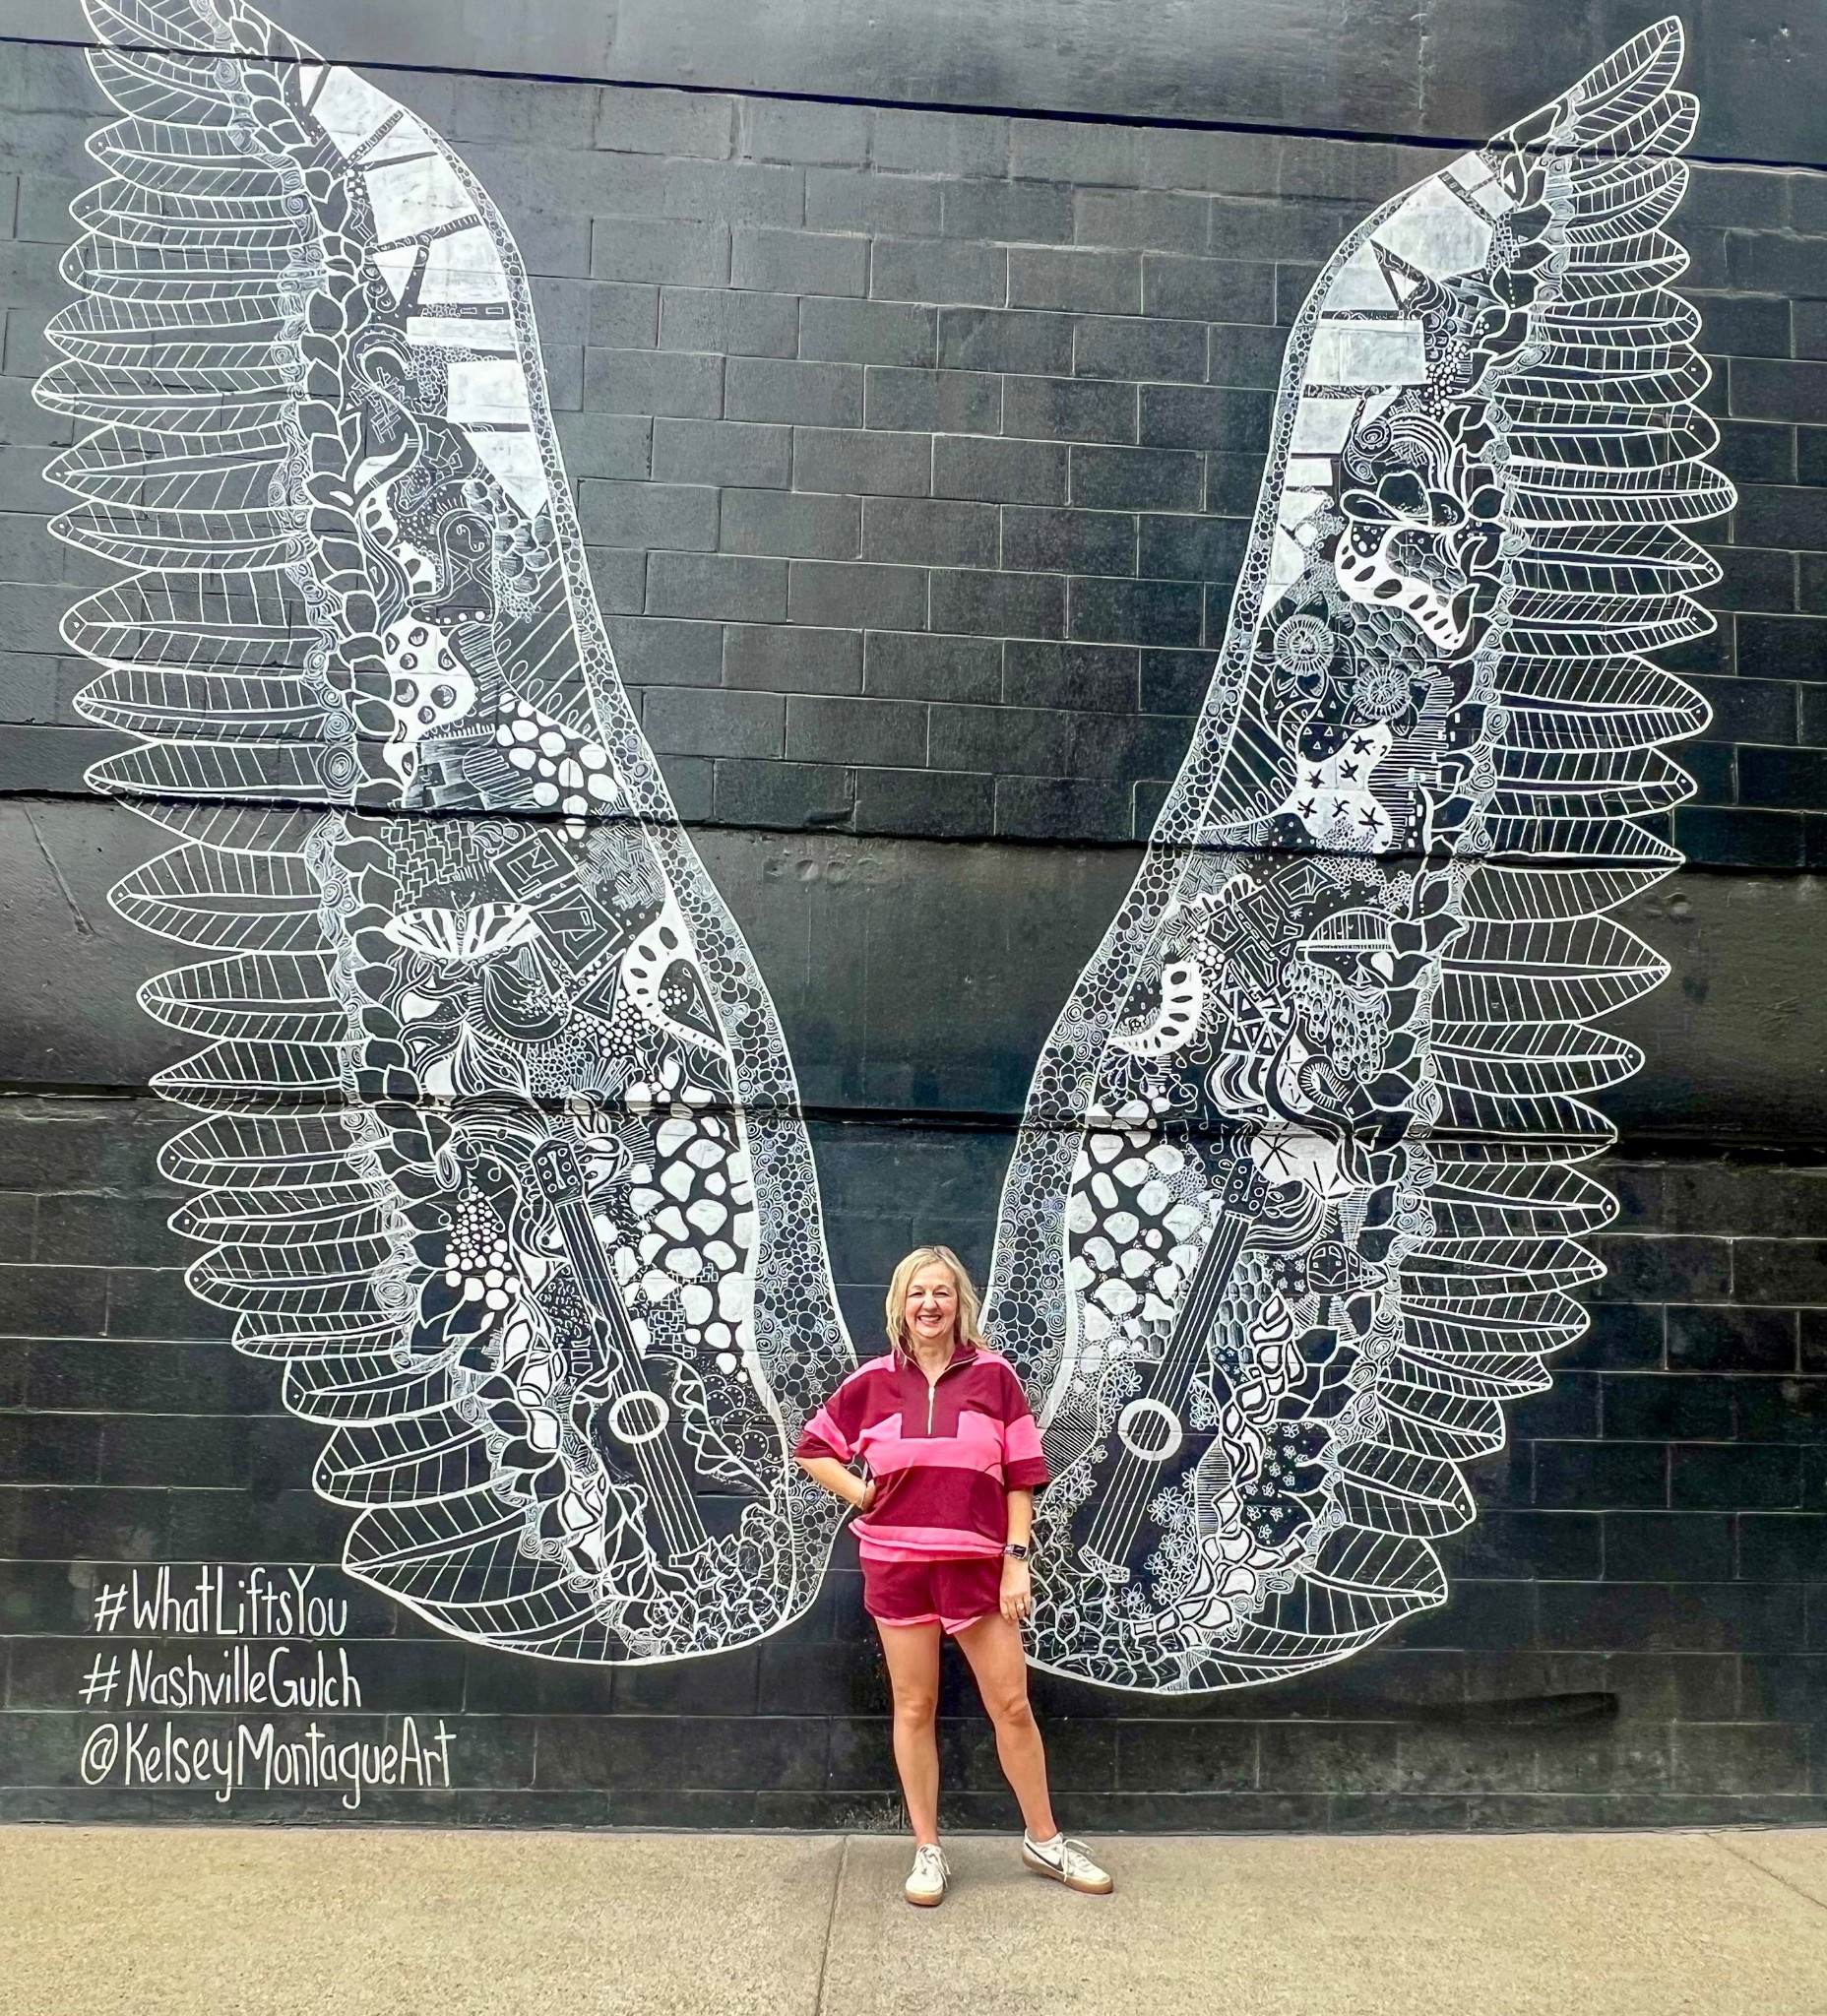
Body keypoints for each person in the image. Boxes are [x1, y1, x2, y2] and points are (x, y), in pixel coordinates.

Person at [794, 1245, 1113, 1908]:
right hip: (897, 1567)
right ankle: (928, 1849)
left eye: (941, 1292)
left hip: (978, 1571)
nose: (929, 1304)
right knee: (915, 1708)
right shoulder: (872, 1381)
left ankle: (1043, 1840)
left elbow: (1022, 1476)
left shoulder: (995, 1378)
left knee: (1013, 1705)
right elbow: (813, 1449)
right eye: (917, 1293)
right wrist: (860, 1493)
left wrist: (1015, 1561)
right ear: (900, 1305)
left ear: (959, 1301)